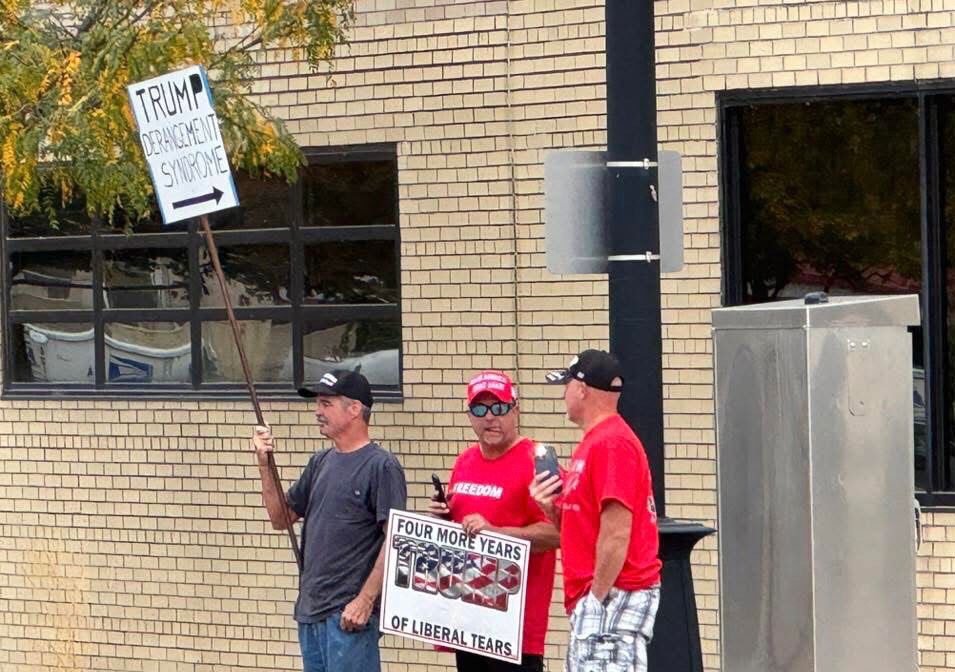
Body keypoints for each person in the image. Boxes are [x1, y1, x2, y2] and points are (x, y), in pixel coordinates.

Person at [251, 370, 407, 672]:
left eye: (326, 404)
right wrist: (264, 464)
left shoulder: (381, 466)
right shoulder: (320, 462)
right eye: (318, 404)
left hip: (348, 617)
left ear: (354, 409)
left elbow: (396, 539)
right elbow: (280, 517)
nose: (317, 411)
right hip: (310, 613)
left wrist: (365, 600)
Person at [531, 350, 662, 672]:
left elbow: (617, 533)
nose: (563, 394)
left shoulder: (611, 444)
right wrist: (551, 508)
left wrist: (596, 599)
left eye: (566, 385)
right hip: (602, 596)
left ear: (581, 389)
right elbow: (584, 530)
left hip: (613, 595)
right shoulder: (595, 444)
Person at [428, 370, 560, 672]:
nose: (490, 418)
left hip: (514, 629)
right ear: (469, 415)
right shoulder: (464, 461)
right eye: (480, 409)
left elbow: (558, 533)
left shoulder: (538, 462)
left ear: (515, 409)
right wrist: (442, 518)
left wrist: (495, 533)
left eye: (499, 408)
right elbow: (461, 530)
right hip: (468, 619)